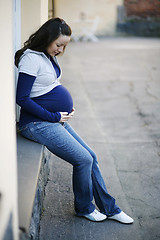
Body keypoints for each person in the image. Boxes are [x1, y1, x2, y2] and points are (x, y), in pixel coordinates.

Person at [15, 17, 134, 223]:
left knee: (92, 157)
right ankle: (84, 208)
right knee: (83, 159)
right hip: (35, 124)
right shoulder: (31, 58)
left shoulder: (47, 56)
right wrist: (54, 114)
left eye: (64, 46)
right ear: (47, 38)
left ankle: (110, 209)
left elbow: (47, 87)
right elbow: (22, 97)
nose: (60, 50)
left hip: (53, 120)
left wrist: (64, 106)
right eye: (58, 44)